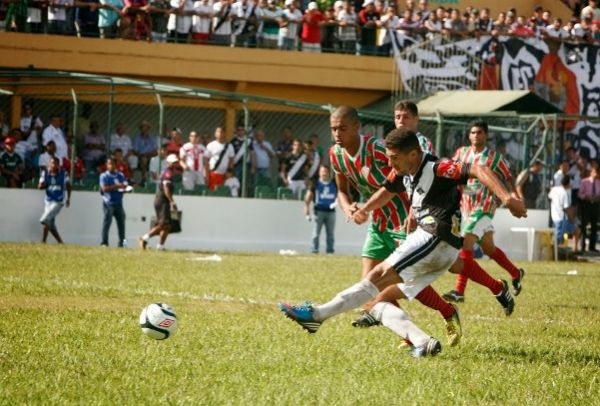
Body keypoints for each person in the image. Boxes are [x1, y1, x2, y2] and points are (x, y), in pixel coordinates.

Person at [280, 128, 526, 357]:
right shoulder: (404, 172)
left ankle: (317, 315)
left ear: (413, 154)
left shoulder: (436, 167)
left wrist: (507, 197)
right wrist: (364, 209)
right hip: (440, 247)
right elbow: (387, 191)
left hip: (435, 237)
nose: (390, 163)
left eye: (394, 157)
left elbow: (478, 170)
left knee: (378, 275)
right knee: (380, 296)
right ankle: (422, 342)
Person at [327, 105, 461, 348]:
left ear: (357, 127)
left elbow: (410, 176)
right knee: (369, 291)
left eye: (342, 128)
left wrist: (413, 211)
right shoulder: (335, 154)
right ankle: (408, 337)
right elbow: (342, 190)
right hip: (378, 224)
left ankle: (447, 310)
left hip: (402, 220)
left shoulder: (379, 149)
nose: (337, 134)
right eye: (333, 129)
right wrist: (350, 209)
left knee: (408, 281)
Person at [442, 121, 525, 303]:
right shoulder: (461, 153)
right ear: (469, 135)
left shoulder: (494, 158)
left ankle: (459, 291)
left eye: (479, 132)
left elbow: (508, 177)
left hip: (484, 207)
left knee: (465, 244)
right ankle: (516, 273)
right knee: (489, 248)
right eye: (473, 132)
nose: (476, 135)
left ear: (486, 135)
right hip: (466, 207)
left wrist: (514, 196)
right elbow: (453, 174)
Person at [139, 154, 180, 250]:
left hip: (162, 200)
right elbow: (166, 189)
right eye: (173, 163)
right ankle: (143, 238)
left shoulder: (168, 172)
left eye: (175, 162)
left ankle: (160, 246)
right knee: (163, 224)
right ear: (168, 163)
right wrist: (172, 201)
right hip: (162, 201)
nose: (174, 164)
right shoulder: (168, 173)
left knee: (167, 225)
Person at [304, 165, 337, 254]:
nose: (324, 173)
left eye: (326, 171)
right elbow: (308, 197)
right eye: (322, 171)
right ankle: (314, 250)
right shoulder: (315, 183)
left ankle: (330, 251)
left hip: (331, 212)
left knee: (330, 234)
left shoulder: (334, 183)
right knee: (316, 233)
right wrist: (307, 211)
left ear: (329, 173)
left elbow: (339, 195)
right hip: (319, 211)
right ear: (319, 173)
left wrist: (337, 203)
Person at [38, 156, 71, 244]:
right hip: (48, 201)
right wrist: (46, 184)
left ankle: (43, 241)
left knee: (44, 220)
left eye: (56, 163)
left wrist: (68, 199)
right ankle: (60, 242)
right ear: (49, 164)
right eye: (52, 163)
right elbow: (39, 186)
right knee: (50, 223)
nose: (54, 165)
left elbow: (68, 185)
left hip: (58, 201)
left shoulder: (64, 173)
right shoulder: (45, 173)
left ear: (59, 165)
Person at [99, 158, 128, 247]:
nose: (110, 166)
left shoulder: (120, 175)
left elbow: (124, 186)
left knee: (122, 224)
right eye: (109, 164)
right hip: (108, 203)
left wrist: (126, 189)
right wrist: (117, 186)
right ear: (107, 165)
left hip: (119, 203)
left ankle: (123, 244)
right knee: (107, 223)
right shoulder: (104, 176)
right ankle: (104, 242)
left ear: (116, 165)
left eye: (112, 164)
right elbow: (104, 189)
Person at [548, 174, 580, 253]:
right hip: (561, 218)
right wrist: (572, 219)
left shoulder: (554, 189)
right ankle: (554, 254)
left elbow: (549, 196)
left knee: (576, 231)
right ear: (568, 183)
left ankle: (575, 250)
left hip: (554, 216)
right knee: (558, 239)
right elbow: (566, 208)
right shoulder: (564, 193)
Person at [578, 165, 600, 253]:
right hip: (586, 204)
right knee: (584, 225)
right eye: (595, 172)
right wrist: (586, 197)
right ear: (591, 172)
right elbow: (580, 194)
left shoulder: (599, 182)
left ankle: (592, 246)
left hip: (596, 205)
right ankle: (582, 246)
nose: (596, 174)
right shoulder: (584, 181)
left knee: (594, 226)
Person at [206, 126, 235, 190]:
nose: (219, 133)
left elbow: (231, 160)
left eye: (221, 131)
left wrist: (229, 172)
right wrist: (206, 173)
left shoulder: (229, 146)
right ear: (215, 134)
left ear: (224, 133)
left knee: (222, 192)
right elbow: (206, 160)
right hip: (213, 173)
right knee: (212, 191)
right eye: (218, 131)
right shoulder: (211, 145)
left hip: (224, 175)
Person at [132, 120, 158, 186]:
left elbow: (155, 150)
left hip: (150, 155)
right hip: (141, 156)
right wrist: (141, 155)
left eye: (147, 128)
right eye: (143, 127)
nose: (145, 129)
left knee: (156, 158)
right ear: (141, 129)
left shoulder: (152, 138)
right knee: (144, 159)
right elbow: (135, 150)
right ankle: (144, 178)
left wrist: (149, 154)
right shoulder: (137, 138)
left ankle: (155, 180)